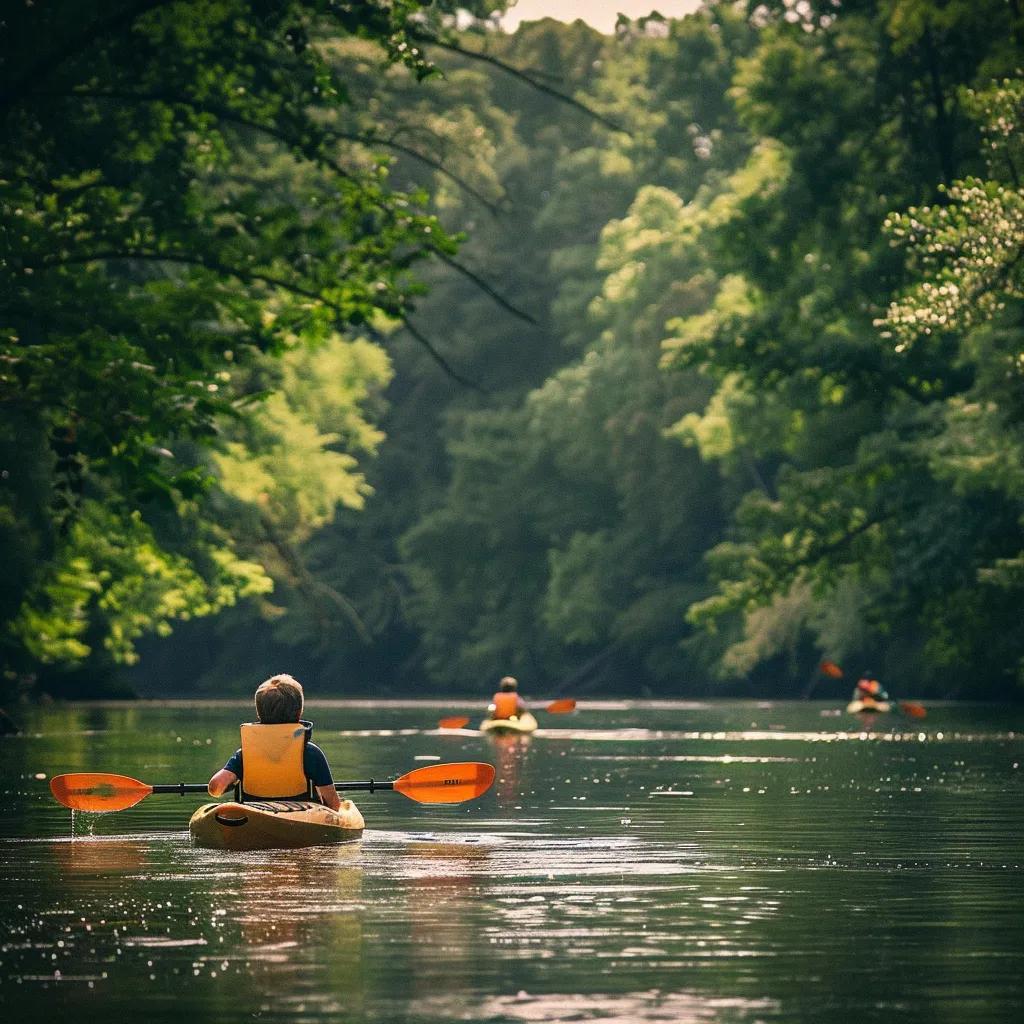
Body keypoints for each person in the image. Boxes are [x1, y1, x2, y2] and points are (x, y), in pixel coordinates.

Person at [207, 673, 340, 809]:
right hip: (299, 816)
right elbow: (333, 804)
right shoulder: (311, 753)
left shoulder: (245, 755)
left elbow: (215, 787)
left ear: (259, 714)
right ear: (299, 712)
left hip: (255, 815)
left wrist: (233, 782)